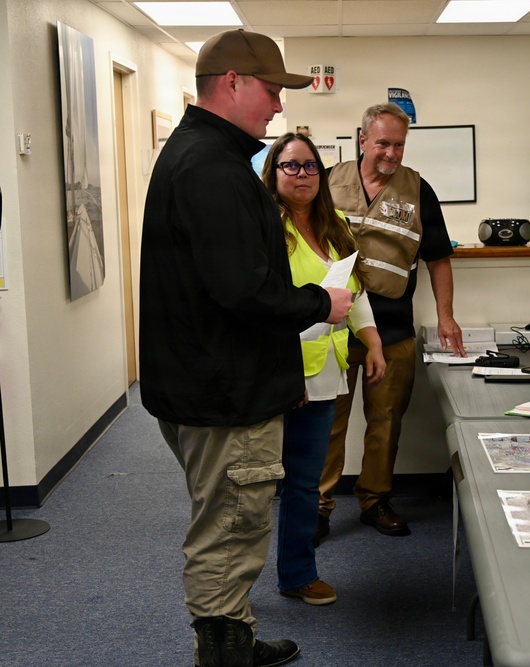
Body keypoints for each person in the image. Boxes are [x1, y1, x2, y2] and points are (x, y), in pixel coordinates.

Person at [139, 29, 353, 666]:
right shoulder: (214, 169)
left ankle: (232, 634)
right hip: (224, 393)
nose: (277, 107)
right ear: (231, 82)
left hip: (204, 383)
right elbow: (244, 291)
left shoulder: (202, 156)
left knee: (231, 522)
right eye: (270, 90)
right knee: (230, 531)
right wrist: (323, 304)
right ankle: (223, 654)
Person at [315, 103, 465, 540]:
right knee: (329, 422)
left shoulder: (419, 190)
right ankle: (319, 505)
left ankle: (375, 499)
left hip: (393, 328)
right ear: (362, 139)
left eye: (399, 144)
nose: (391, 152)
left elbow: (438, 259)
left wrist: (446, 317)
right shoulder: (327, 182)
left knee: (386, 421)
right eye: (383, 142)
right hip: (336, 327)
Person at [261, 133, 386, 605]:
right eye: (291, 166)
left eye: (310, 166)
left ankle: (296, 574)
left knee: (305, 481)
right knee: (253, 484)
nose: (302, 175)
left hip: (325, 371)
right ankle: (228, 593)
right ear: (273, 172)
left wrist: (370, 340)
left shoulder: (334, 226)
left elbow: (353, 292)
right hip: (277, 373)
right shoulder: (267, 227)